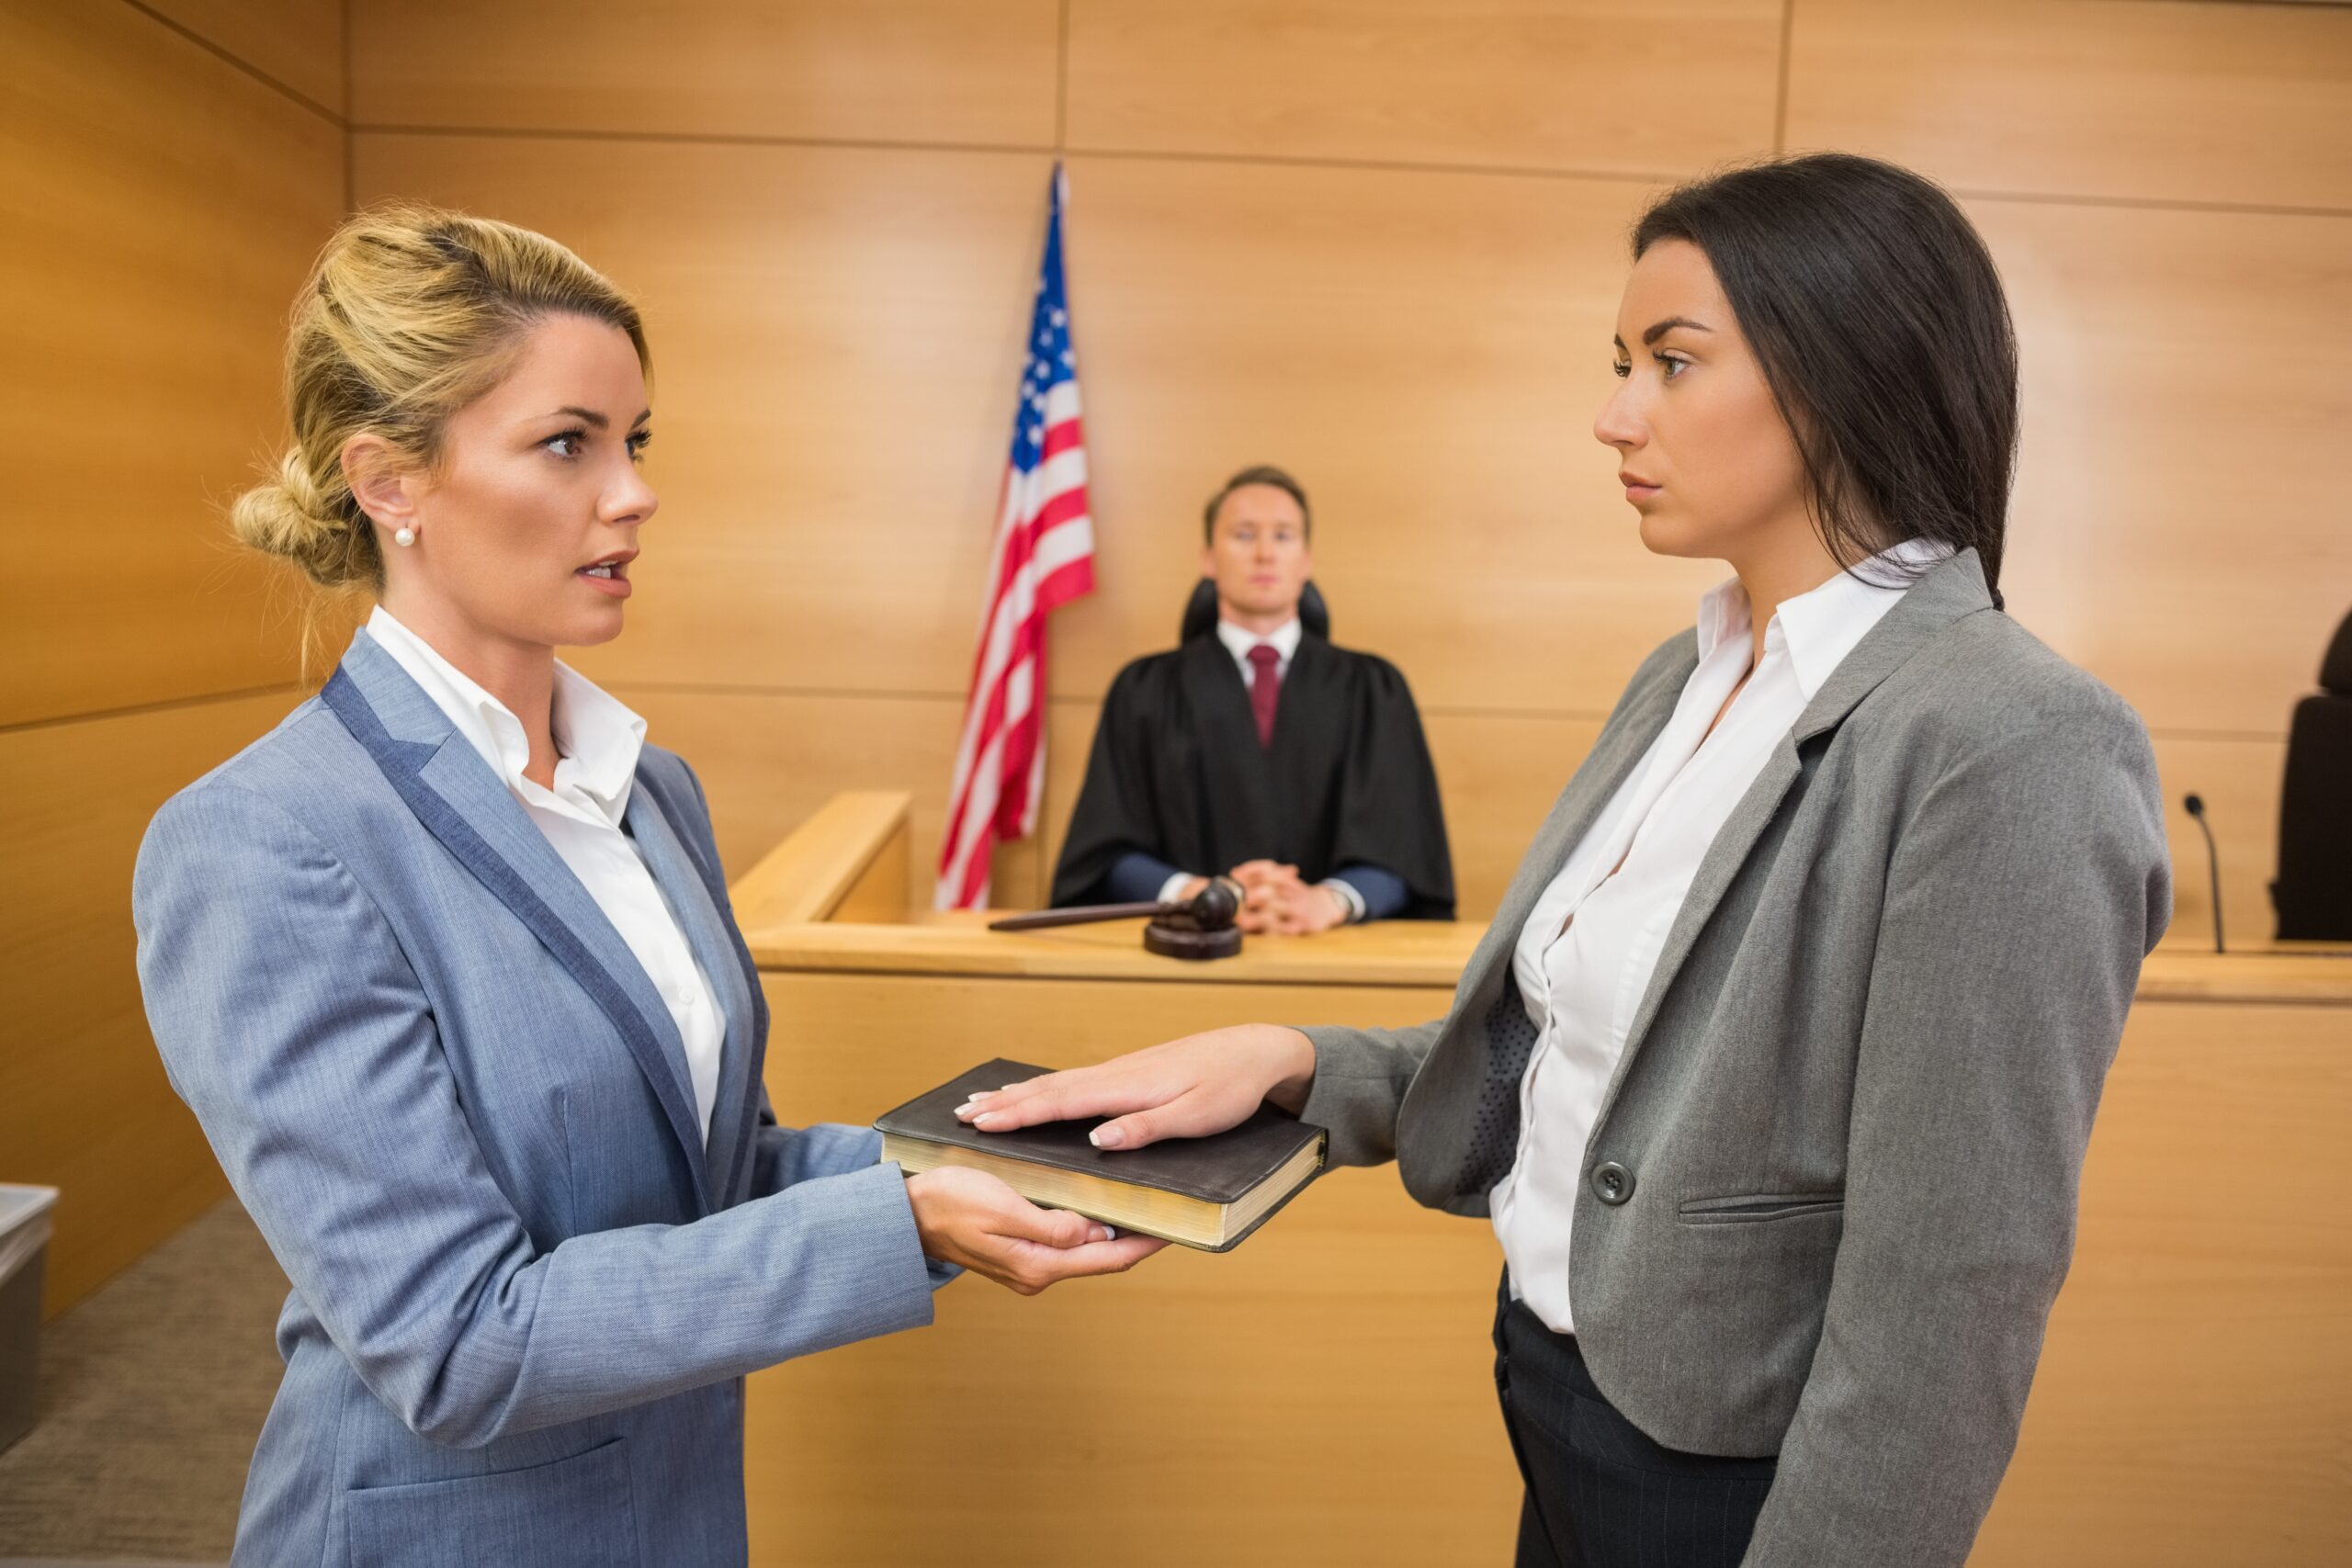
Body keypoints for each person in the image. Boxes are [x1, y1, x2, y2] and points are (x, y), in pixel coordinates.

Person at [956, 153, 2171, 1567]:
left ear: (1843, 372)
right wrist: (1293, 1059)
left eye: (1670, 361)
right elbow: (1594, 1058)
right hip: (1557, 1403)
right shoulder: (1689, 668)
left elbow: (1947, 1300)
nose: (1613, 415)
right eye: (1620, 362)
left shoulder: (2013, 737)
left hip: (1732, 1485)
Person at [130, 205, 1162, 1568]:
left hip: (670, 1508)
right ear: (389, 481)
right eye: (569, 443)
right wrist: (893, 1216)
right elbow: (456, 1338)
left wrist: (969, 1157)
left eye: (635, 442)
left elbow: (714, 1173)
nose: (634, 492)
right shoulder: (264, 840)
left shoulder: (649, 782)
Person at [1050, 464, 1455, 933]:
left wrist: (1328, 901)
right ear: (1208, 557)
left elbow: (1407, 851)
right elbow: (1104, 854)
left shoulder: (1374, 690)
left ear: (1306, 559)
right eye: (1244, 535)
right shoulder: (1144, 691)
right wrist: (1200, 895)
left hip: (1334, 961)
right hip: (1186, 958)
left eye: (1283, 536)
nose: (1265, 553)